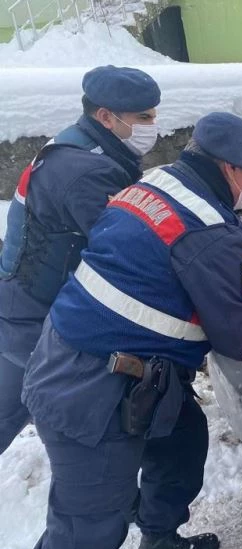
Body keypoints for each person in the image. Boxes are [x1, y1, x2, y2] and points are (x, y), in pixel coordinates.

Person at [6, 112, 242, 549]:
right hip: (90, 391)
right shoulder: (209, 231)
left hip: (94, 359)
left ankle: (159, 544)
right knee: (87, 535)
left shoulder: (155, 184)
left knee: (182, 443)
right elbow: (239, 338)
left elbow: (172, 263)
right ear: (230, 169)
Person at [0, 65, 161, 454]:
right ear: (105, 116)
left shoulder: (79, 144)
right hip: (35, 314)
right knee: (22, 409)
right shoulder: (87, 171)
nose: (153, 126)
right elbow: (126, 248)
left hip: (24, 300)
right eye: (143, 117)